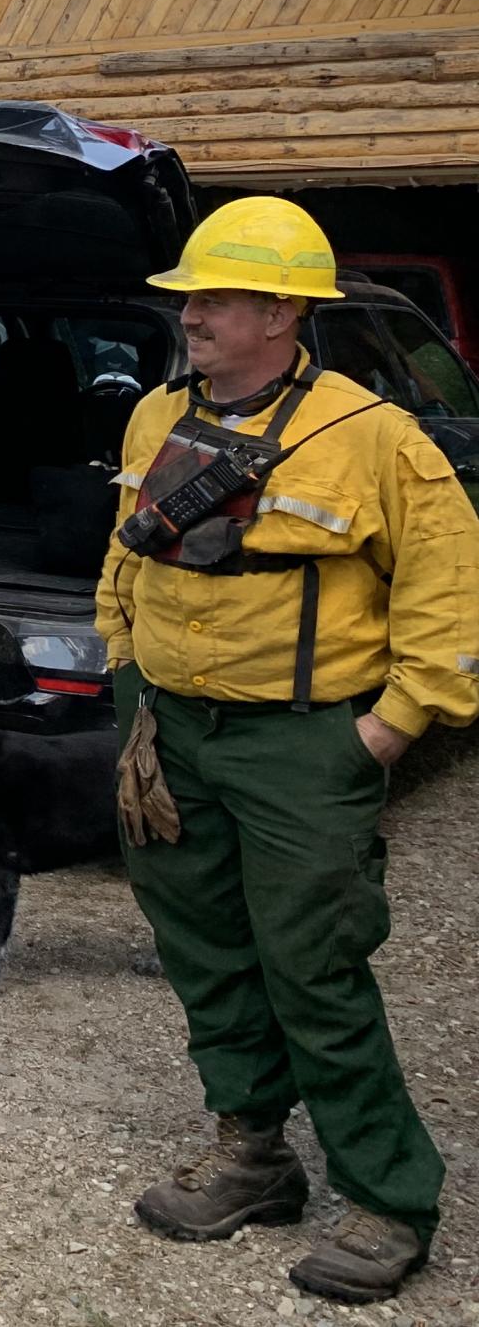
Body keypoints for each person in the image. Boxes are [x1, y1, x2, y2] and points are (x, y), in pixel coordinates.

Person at [99, 195, 479, 1307]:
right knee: (205, 954)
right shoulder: (152, 417)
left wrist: (388, 726)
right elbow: (123, 552)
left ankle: (388, 1198)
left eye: (214, 298)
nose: (192, 316)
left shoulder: (374, 437)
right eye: (190, 298)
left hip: (301, 743)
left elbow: (448, 596)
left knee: (312, 964)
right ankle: (250, 1158)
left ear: (279, 311)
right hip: (170, 730)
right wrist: (124, 667)